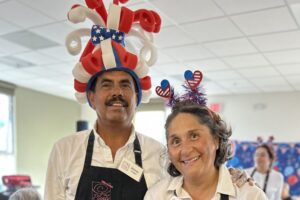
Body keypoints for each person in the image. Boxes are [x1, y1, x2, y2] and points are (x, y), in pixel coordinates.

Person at [45, 2, 251, 200]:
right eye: (106, 85)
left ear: (138, 96)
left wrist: (229, 177)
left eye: (125, 85)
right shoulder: (65, 150)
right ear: (91, 96)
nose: (117, 92)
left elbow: (196, 184)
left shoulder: (160, 155)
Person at [144, 100, 267, 200]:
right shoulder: (156, 196)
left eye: (194, 136)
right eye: (176, 141)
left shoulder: (250, 196)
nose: (185, 150)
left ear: (216, 139)